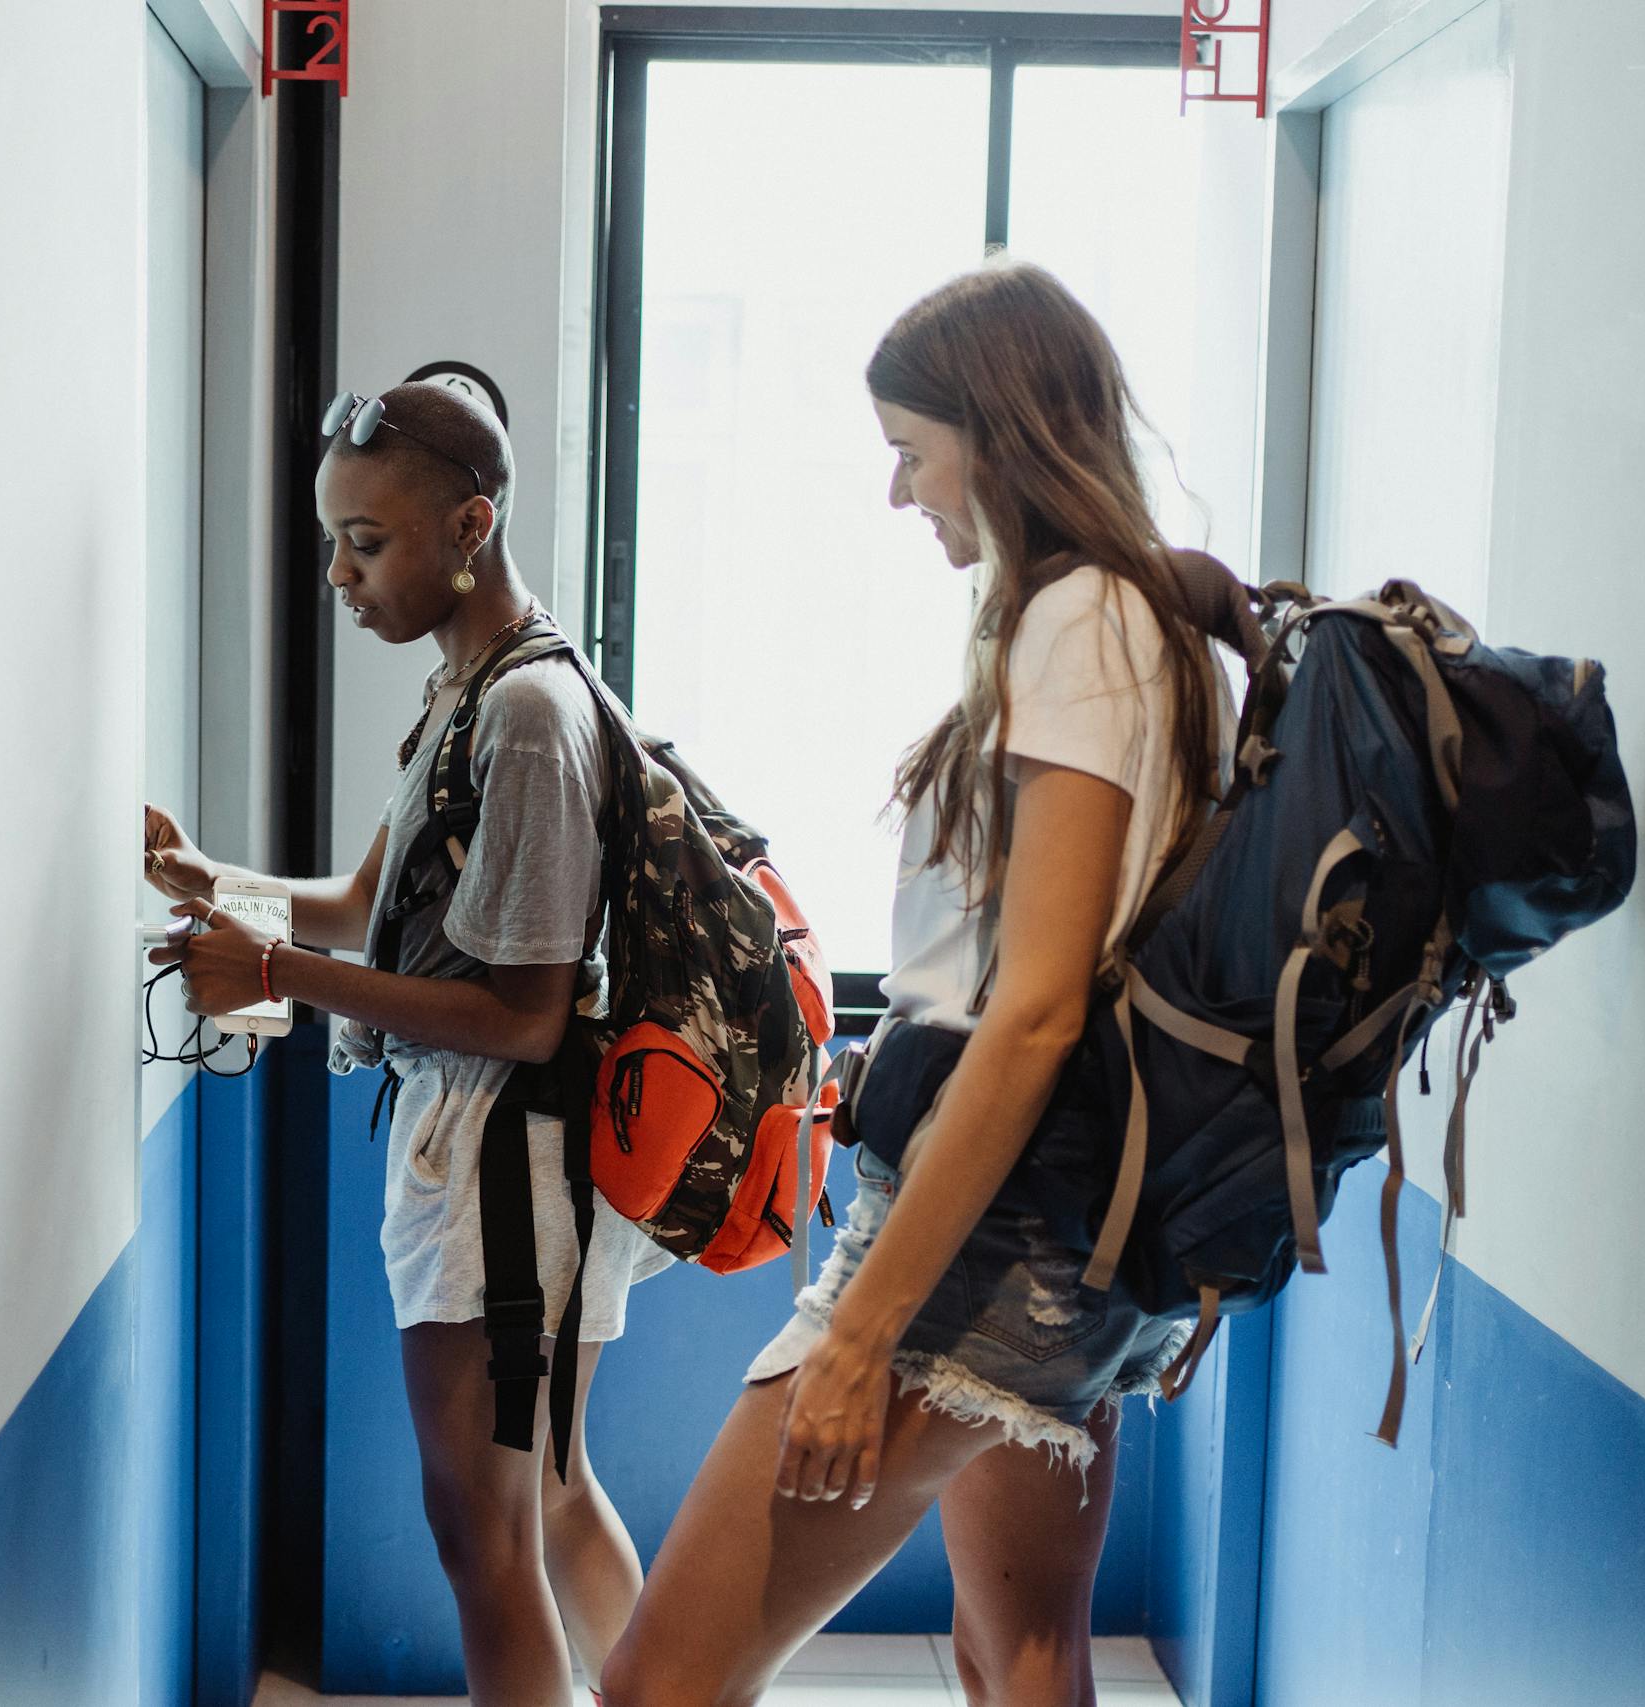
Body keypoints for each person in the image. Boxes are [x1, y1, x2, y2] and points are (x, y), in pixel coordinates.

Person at [599, 263, 1232, 1707]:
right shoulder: (1146, 622)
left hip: (983, 1235)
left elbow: (1037, 1012)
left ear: (997, 438)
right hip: (1069, 1234)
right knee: (1019, 1653)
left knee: (658, 1688)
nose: (901, 497)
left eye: (911, 454)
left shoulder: (1080, 623)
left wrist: (863, 1334)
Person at [145, 381, 666, 1706]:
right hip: (503, 1153)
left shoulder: (526, 719)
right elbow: (370, 915)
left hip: (508, 1166)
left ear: (470, 525)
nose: (338, 573)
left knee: (478, 1526)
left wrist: (268, 971)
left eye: (364, 542)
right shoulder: (468, 685)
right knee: (542, 1492)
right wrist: (214, 884)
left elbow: (523, 1009)